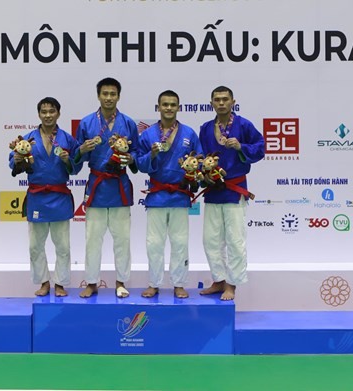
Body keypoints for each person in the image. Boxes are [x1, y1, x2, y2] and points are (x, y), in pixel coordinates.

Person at [9, 97, 82, 297]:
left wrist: (68, 161)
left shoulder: (67, 139)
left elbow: (76, 167)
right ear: (39, 114)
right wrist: (16, 160)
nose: (48, 115)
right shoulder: (28, 139)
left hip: (59, 197)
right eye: (44, 111)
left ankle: (60, 283)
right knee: (35, 245)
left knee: (63, 245)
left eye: (52, 111)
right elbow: (14, 164)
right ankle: (43, 282)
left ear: (58, 113)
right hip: (37, 197)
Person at [198, 86, 264, 301]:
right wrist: (202, 174)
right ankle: (218, 280)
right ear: (211, 103)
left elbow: (261, 148)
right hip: (213, 191)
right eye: (217, 99)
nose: (221, 103)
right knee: (211, 240)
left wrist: (241, 147)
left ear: (233, 101)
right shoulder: (206, 128)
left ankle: (232, 284)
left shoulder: (244, 125)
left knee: (235, 241)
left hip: (234, 191)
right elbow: (200, 158)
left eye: (225, 99)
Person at [75, 77, 139, 298]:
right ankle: (92, 282)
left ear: (118, 96)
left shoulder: (129, 123)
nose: (109, 98)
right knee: (93, 238)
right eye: (105, 93)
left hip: (119, 185)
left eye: (113, 94)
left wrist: (131, 158)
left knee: (122, 239)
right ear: (98, 95)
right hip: (97, 187)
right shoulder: (86, 123)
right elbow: (75, 160)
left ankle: (121, 282)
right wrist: (82, 149)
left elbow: (137, 153)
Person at [136, 90, 202, 298]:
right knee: (154, 242)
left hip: (180, 195)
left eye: (173, 104)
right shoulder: (147, 135)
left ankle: (179, 283)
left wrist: (195, 174)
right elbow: (138, 162)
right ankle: (154, 283)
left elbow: (199, 160)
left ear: (178, 107)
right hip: (157, 195)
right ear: (158, 106)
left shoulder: (189, 134)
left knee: (180, 242)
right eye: (165, 104)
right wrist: (152, 154)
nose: (169, 108)